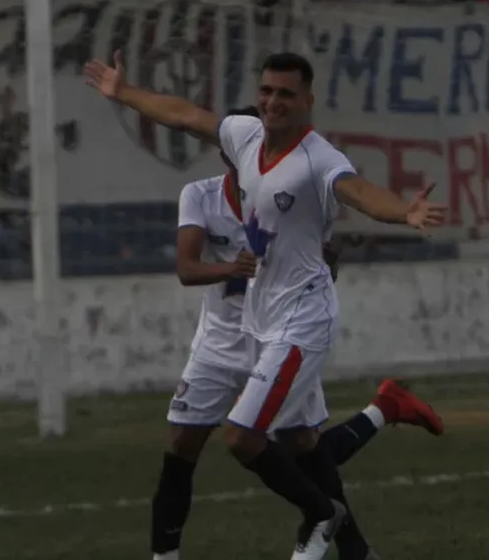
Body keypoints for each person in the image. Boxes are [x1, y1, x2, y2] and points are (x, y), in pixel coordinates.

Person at [85, 50, 446, 560]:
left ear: (307, 101)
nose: (274, 102)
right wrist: (124, 93)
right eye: (267, 92)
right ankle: (359, 534)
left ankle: (323, 515)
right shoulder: (239, 148)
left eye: (286, 94)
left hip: (299, 321)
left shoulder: (317, 159)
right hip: (253, 323)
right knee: (301, 445)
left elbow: (358, 191)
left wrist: (403, 211)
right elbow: (186, 115)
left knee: (243, 438)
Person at [152, 151, 444, 560]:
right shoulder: (201, 196)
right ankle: (165, 557)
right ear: (227, 151)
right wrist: (232, 269)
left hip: (278, 338)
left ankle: (352, 541)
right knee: (183, 443)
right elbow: (186, 268)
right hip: (218, 345)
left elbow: (325, 260)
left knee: (302, 446)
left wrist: (322, 261)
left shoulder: (290, 199)